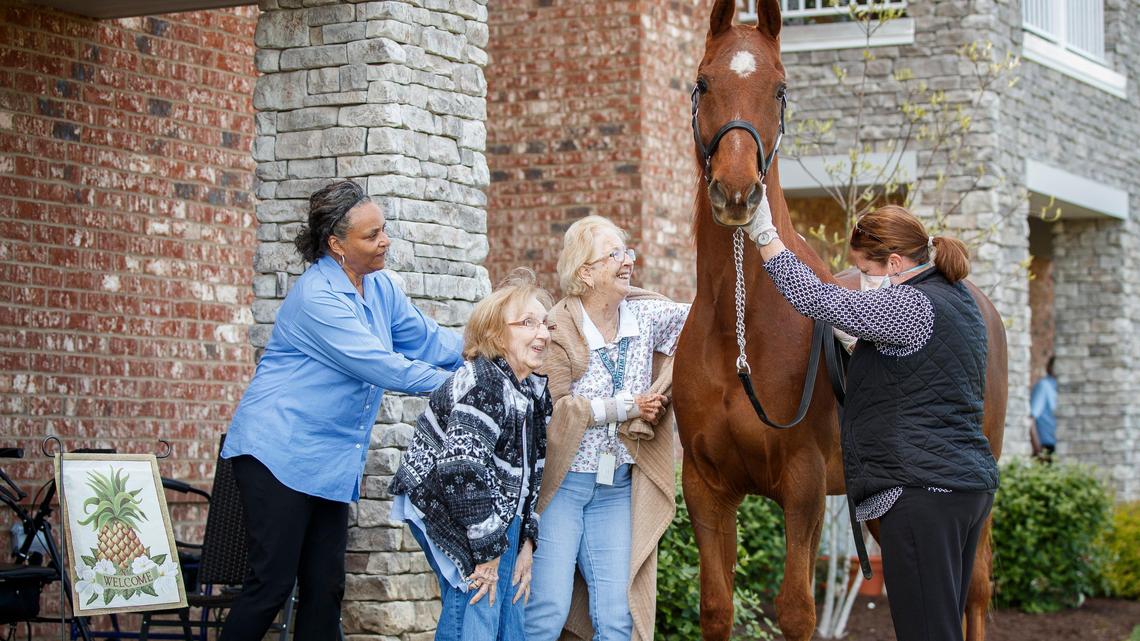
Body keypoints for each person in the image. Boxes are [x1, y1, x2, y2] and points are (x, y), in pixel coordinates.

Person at [219, 180, 464, 640]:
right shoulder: (317, 298)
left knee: (326, 587)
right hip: (277, 452)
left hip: (326, 461)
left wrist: (487, 350)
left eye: (384, 230)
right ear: (336, 244)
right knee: (270, 585)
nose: (384, 241)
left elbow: (428, 341)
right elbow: (379, 364)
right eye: (371, 236)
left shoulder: (382, 288)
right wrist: (465, 383)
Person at [747, 199, 999, 641]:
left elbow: (818, 299)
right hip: (964, 490)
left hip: (924, 495)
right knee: (941, 627)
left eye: (865, 270)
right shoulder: (960, 300)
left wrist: (766, 235)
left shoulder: (910, 305)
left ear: (897, 263)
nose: (862, 282)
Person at [526, 216, 690, 641]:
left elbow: (705, 324)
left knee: (619, 616)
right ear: (585, 270)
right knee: (547, 610)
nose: (627, 261)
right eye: (613, 253)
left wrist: (661, 387)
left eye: (627, 252)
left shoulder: (645, 314)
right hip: (563, 487)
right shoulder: (556, 328)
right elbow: (556, 410)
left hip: (615, 487)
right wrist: (627, 406)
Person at [389, 269, 553, 641]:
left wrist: (526, 541)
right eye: (528, 323)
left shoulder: (532, 390)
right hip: (448, 502)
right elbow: (459, 472)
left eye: (546, 324)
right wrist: (485, 552)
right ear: (497, 333)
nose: (542, 334)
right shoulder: (484, 383)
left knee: (510, 608)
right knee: (478, 599)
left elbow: (530, 476)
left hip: (495, 507)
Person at [1030, 356, 1058, 459]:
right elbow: (1031, 419)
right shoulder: (1044, 386)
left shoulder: (1060, 387)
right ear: (1049, 368)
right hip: (1047, 448)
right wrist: (1038, 450)